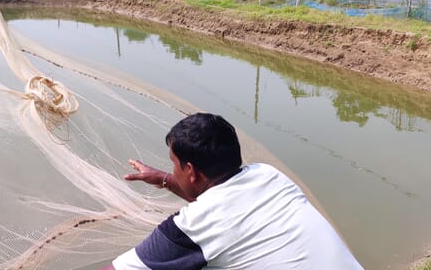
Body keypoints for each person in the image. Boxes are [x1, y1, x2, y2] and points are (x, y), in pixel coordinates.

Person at [99, 113, 364, 270]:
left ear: (190, 171)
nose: (173, 169)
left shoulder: (192, 227)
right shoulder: (270, 175)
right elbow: (219, 198)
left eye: (173, 163)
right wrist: (164, 178)